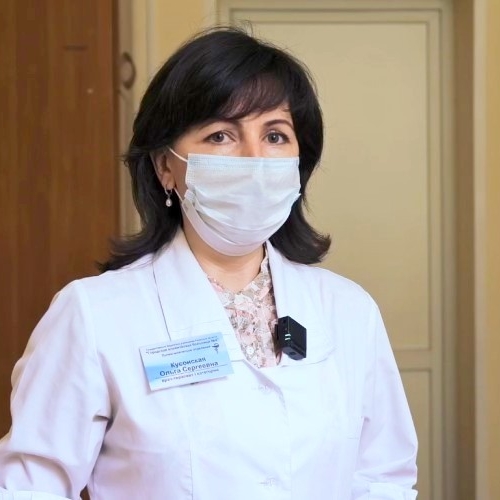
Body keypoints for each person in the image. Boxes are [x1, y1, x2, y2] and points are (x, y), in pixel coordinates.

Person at [0, 27, 418, 499]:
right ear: (165, 166)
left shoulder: (349, 310)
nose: (254, 159)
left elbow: (383, 478)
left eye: (275, 135)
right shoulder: (94, 314)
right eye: (221, 135)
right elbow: (29, 489)